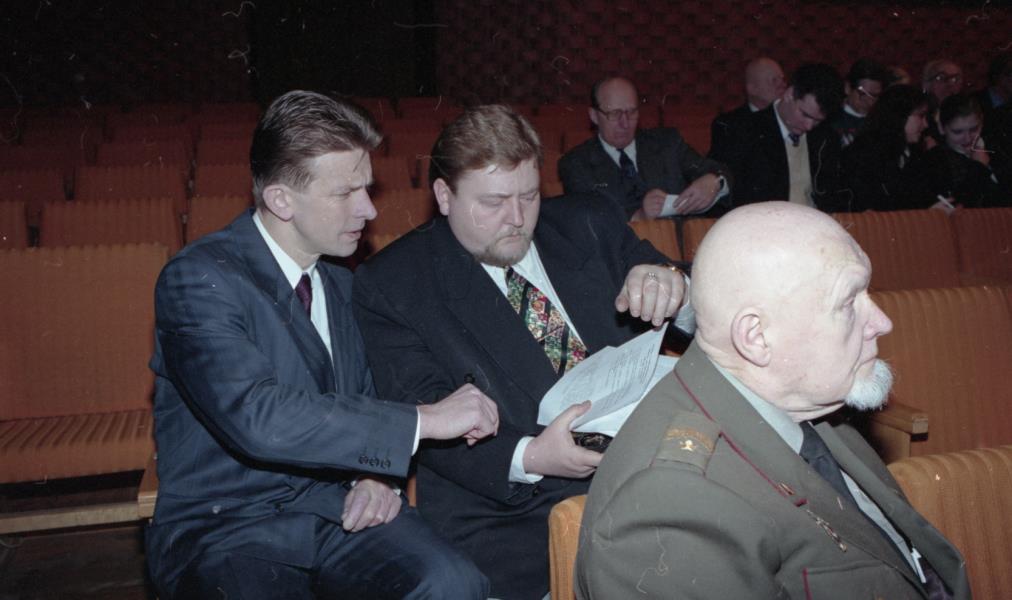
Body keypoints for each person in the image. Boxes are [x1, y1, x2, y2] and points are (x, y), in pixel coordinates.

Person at [145, 90, 500, 600]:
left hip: (333, 508)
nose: (369, 208)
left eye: (367, 188)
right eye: (345, 193)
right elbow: (259, 417)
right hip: (226, 528)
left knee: (454, 584)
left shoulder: (343, 282)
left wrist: (377, 478)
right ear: (281, 200)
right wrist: (423, 421)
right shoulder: (199, 280)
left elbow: (371, 394)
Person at [353, 104, 693, 599]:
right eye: (493, 202)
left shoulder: (588, 221)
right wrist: (532, 456)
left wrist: (674, 286)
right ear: (444, 196)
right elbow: (425, 418)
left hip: (654, 471)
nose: (516, 219)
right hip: (516, 512)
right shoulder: (395, 283)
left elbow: (684, 292)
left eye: (529, 196)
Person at [576, 201, 971, 600]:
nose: (883, 322)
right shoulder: (671, 512)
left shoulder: (804, 399)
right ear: (757, 337)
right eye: (848, 303)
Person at [558, 76, 729, 221]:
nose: (625, 123)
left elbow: (719, 171)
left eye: (632, 112)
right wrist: (639, 216)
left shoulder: (668, 143)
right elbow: (587, 221)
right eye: (615, 114)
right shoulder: (575, 163)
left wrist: (714, 182)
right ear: (594, 116)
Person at [711, 63, 847, 211]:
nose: (809, 126)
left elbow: (832, 196)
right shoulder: (743, 130)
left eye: (817, 120)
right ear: (790, 94)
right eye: (804, 114)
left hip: (815, 220)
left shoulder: (826, 137)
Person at [905, 93, 1007, 210]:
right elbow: (957, 206)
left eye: (974, 129)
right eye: (958, 132)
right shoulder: (933, 162)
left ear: (982, 122)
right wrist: (979, 167)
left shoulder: (998, 150)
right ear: (941, 128)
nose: (967, 138)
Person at [842, 85, 930, 211]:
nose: (926, 124)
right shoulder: (865, 154)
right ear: (900, 116)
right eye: (921, 116)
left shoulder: (914, 153)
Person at [710, 57, 787, 161]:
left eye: (782, 79)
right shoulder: (728, 125)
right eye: (774, 80)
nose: (783, 85)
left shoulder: (792, 120)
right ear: (752, 89)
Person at [829, 58, 891, 146]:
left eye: (874, 96)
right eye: (862, 93)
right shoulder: (830, 119)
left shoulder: (882, 123)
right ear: (848, 88)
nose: (869, 101)